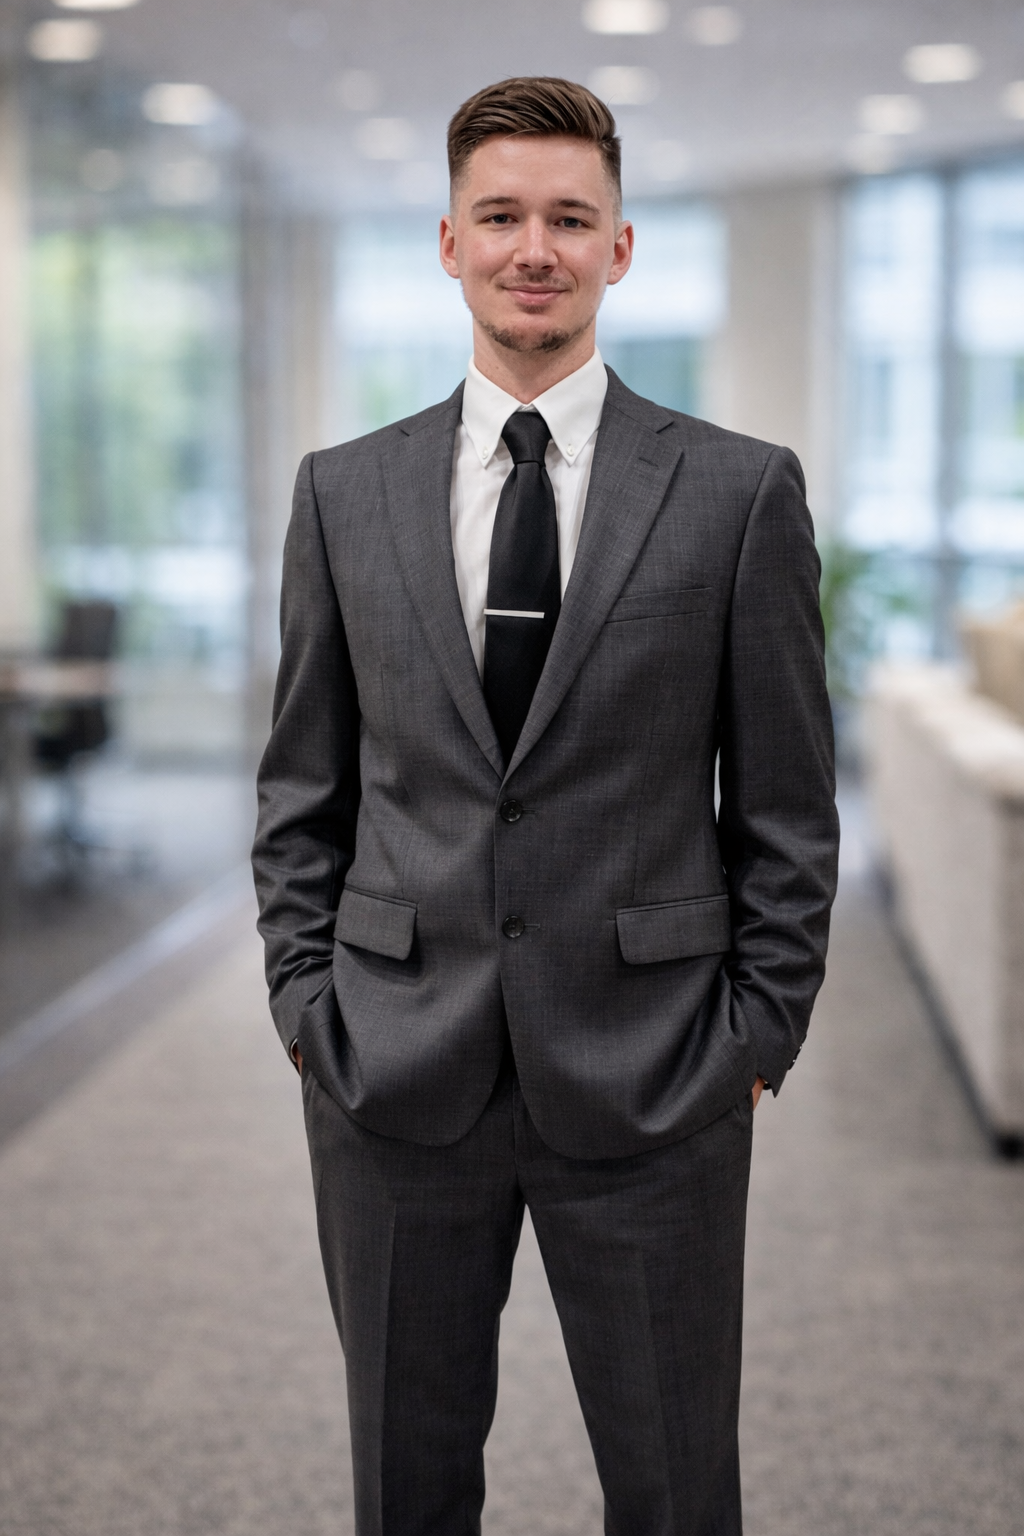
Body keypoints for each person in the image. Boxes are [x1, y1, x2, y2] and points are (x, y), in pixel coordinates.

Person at [252, 75, 839, 1536]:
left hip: (657, 1082)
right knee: (407, 1485)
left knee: (674, 1489)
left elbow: (788, 805)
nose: (536, 247)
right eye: (501, 215)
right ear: (447, 242)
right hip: (392, 1073)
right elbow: (301, 791)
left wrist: (754, 1040)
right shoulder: (344, 493)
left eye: (570, 218)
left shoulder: (737, 494)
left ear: (621, 249)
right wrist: (308, 1012)